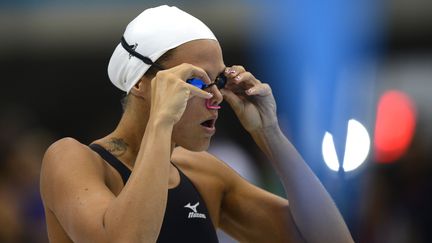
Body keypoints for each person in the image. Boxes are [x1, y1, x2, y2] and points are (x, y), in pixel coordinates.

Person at [40, 5, 354, 243]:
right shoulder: (73, 161)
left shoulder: (202, 174)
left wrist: (268, 132)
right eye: (195, 81)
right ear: (139, 83)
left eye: (218, 80)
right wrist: (161, 122)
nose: (216, 96)